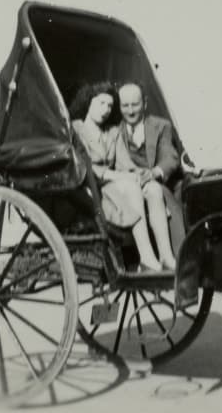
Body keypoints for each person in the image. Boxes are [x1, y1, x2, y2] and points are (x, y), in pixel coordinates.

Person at [69, 82, 174, 271]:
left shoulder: (113, 132)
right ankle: (146, 257)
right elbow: (82, 167)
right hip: (95, 190)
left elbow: (126, 164)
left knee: (153, 189)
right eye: (101, 103)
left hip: (117, 186)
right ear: (88, 103)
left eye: (110, 106)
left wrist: (140, 175)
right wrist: (117, 177)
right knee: (131, 187)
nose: (106, 110)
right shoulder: (76, 130)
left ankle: (167, 256)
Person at [116, 82, 185, 258]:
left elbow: (171, 157)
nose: (130, 111)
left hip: (159, 184)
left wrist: (154, 173)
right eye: (125, 105)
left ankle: (179, 259)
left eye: (135, 104)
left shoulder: (161, 126)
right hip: (132, 189)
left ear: (145, 104)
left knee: (159, 191)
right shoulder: (116, 133)